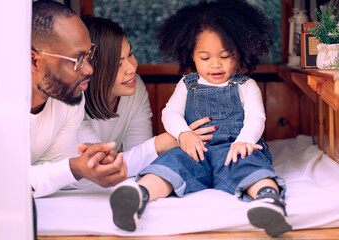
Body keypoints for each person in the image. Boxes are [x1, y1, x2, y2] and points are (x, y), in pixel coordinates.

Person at [109, 0, 292, 237]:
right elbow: (170, 112)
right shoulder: (187, 84)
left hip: (234, 150)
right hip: (195, 149)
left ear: (240, 54)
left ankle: (269, 201)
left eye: (225, 56)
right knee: (172, 163)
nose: (215, 65)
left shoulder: (246, 85)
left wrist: (244, 141)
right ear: (191, 56)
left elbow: (256, 117)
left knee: (251, 163)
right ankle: (137, 195)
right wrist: (183, 134)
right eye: (205, 58)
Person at [79, 16, 216, 177]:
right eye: (117, 64)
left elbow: (139, 159)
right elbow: (99, 167)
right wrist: (167, 141)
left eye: (130, 54)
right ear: (92, 70)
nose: (131, 68)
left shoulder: (134, 87)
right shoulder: (73, 101)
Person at [30, 0, 127, 198]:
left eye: (89, 54)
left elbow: (56, 166)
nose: (90, 69)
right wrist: (75, 168)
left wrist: (92, 167)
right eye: (78, 60)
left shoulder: (67, 98)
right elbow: (0, 180)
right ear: (34, 61)